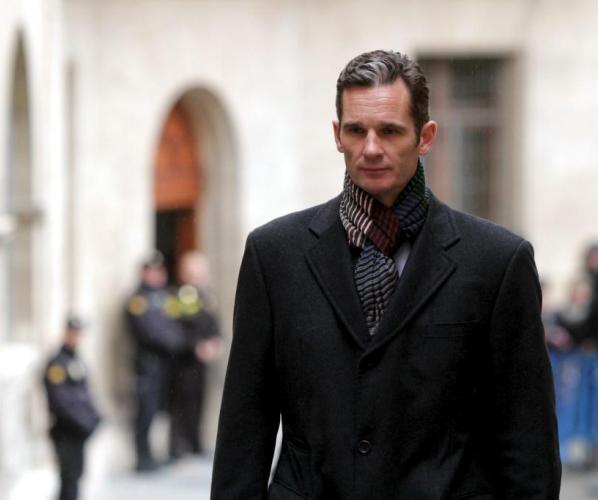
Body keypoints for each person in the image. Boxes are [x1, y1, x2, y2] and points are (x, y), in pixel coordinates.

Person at [212, 50, 561, 499]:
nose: (371, 148)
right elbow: (244, 429)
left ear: (425, 136)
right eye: (356, 130)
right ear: (337, 135)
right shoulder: (274, 255)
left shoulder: (496, 261)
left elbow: (528, 443)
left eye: (390, 131)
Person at [126, 251, 189, 471]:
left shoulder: (166, 297)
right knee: (146, 410)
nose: (159, 275)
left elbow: (178, 323)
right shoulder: (138, 301)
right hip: (148, 363)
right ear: (145, 273)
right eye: (154, 271)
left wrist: (178, 341)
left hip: (166, 364)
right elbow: (149, 332)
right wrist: (173, 342)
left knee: (162, 408)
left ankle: (161, 451)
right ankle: (142, 456)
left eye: (161, 271)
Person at [169, 251, 223, 458]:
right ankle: (179, 445)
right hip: (186, 360)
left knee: (200, 400)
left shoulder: (206, 294)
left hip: (203, 359)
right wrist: (196, 346)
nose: (200, 275)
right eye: (195, 271)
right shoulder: (182, 295)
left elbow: (211, 322)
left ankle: (195, 441)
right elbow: (180, 326)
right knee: (183, 402)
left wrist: (216, 341)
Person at [43, 315, 101, 500]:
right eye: (73, 333)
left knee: (76, 476)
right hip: (65, 430)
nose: (76, 337)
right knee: (68, 478)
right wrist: (84, 422)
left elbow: (85, 394)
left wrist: (94, 418)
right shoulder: (57, 364)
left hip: (78, 432)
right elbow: (61, 401)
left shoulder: (77, 360)